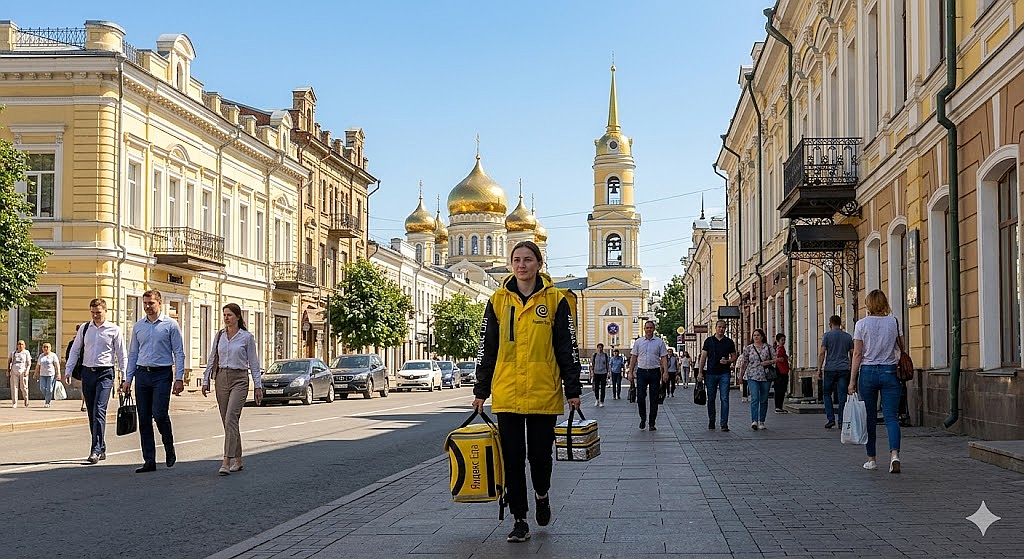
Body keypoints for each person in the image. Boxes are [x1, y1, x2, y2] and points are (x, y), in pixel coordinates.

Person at [471, 240, 582, 543]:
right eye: (517, 260)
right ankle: (519, 518)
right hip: (507, 392)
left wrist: (573, 388)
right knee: (512, 459)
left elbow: (566, 347)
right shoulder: (497, 301)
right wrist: (481, 391)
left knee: (540, 458)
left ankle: (542, 494)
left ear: (539, 265)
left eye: (528, 260)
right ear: (511, 264)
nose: (522, 265)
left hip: (543, 392)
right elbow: (487, 349)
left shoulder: (557, 300)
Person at [122, 289, 186, 473]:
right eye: (145, 304)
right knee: (143, 419)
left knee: (159, 414)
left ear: (159, 303)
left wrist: (179, 378)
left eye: (151, 303)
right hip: (142, 374)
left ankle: (169, 446)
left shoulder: (170, 325)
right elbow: (133, 353)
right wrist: (128, 379)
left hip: (162, 374)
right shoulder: (138, 326)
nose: (147, 307)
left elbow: (179, 353)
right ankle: (149, 460)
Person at [63, 298, 128, 464]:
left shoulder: (114, 330)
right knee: (92, 411)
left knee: (99, 409)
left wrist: (125, 377)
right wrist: (68, 370)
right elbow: (75, 350)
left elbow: (121, 354)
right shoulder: (85, 329)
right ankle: (101, 446)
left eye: (98, 312)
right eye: (93, 313)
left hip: (105, 373)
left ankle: (95, 450)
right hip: (87, 373)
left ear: (105, 311)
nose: (95, 316)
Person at [202, 303, 263, 476]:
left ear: (237, 316)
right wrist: (206, 379)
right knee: (228, 423)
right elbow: (212, 357)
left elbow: (254, 363)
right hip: (221, 378)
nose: (226, 318)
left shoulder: (246, 337)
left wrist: (257, 386)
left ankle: (226, 462)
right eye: (224, 315)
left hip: (239, 379)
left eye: (229, 315)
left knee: (230, 418)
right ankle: (239, 459)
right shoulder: (220, 335)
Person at [849, 289, 903, 474]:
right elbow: (900, 346)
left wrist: (852, 380)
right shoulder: (893, 322)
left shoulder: (861, 324)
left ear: (869, 304)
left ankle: (871, 459)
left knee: (870, 418)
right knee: (891, 417)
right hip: (889, 371)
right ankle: (894, 455)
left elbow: (857, 354)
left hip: (868, 372)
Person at [627, 320, 668, 431]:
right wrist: (630, 372)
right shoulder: (639, 342)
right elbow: (634, 357)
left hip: (654, 372)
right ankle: (643, 418)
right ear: (644, 329)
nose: (649, 330)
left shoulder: (659, 342)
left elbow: (664, 357)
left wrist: (665, 372)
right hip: (641, 372)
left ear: (654, 329)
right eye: (647, 328)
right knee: (640, 397)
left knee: (654, 398)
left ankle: (652, 422)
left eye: (651, 328)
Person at [697, 320, 737, 432]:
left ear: (725, 329)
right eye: (719, 327)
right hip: (710, 373)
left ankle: (724, 423)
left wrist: (728, 361)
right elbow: (703, 357)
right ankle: (711, 420)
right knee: (711, 399)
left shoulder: (729, 342)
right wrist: (700, 372)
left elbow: (734, 357)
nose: (721, 329)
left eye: (723, 327)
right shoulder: (709, 341)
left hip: (724, 373)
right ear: (715, 328)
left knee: (724, 398)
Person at [818, 315, 853, 429]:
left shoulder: (827, 336)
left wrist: (819, 368)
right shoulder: (847, 337)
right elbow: (853, 352)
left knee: (827, 394)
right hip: (844, 369)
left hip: (830, 369)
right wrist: (851, 365)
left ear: (830, 324)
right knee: (842, 396)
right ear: (840, 324)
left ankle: (830, 419)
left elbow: (822, 352)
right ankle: (841, 421)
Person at [740, 329, 776, 430]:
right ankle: (754, 421)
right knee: (755, 398)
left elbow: (776, 360)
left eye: (758, 335)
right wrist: (741, 375)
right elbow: (744, 362)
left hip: (766, 376)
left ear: (762, 337)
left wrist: (768, 362)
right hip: (752, 376)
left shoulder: (768, 348)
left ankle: (762, 421)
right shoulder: (748, 348)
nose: (755, 337)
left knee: (764, 399)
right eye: (754, 335)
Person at [65, 325, 87, 412]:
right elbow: (69, 356)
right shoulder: (72, 343)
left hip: (90, 366)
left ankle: (88, 403)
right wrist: (69, 369)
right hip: (80, 368)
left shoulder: (88, 341)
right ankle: (84, 403)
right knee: (85, 386)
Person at [34, 343, 60, 407]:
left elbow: (57, 365)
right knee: (42, 388)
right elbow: (38, 365)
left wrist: (58, 373)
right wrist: (35, 373)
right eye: (44, 347)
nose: (46, 348)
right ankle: (47, 397)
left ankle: (47, 402)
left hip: (51, 374)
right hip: (42, 374)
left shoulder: (53, 355)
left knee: (50, 389)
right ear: (42, 348)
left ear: (50, 348)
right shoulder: (41, 356)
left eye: (47, 347)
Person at [8, 340, 31, 408]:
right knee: (14, 387)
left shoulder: (26, 353)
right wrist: (8, 370)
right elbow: (9, 361)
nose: (20, 346)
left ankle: (26, 399)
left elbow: (29, 363)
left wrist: (27, 371)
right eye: (19, 344)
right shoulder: (13, 353)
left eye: (22, 344)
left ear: (24, 346)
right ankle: (14, 402)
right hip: (14, 371)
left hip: (23, 371)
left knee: (23, 387)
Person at [773, 333, 790, 413]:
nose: (783, 341)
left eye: (784, 340)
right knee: (781, 389)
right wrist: (783, 359)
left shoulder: (778, 348)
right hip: (781, 371)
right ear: (778, 341)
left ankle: (778, 406)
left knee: (779, 390)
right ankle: (779, 407)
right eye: (782, 340)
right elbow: (778, 358)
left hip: (781, 371)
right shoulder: (780, 349)